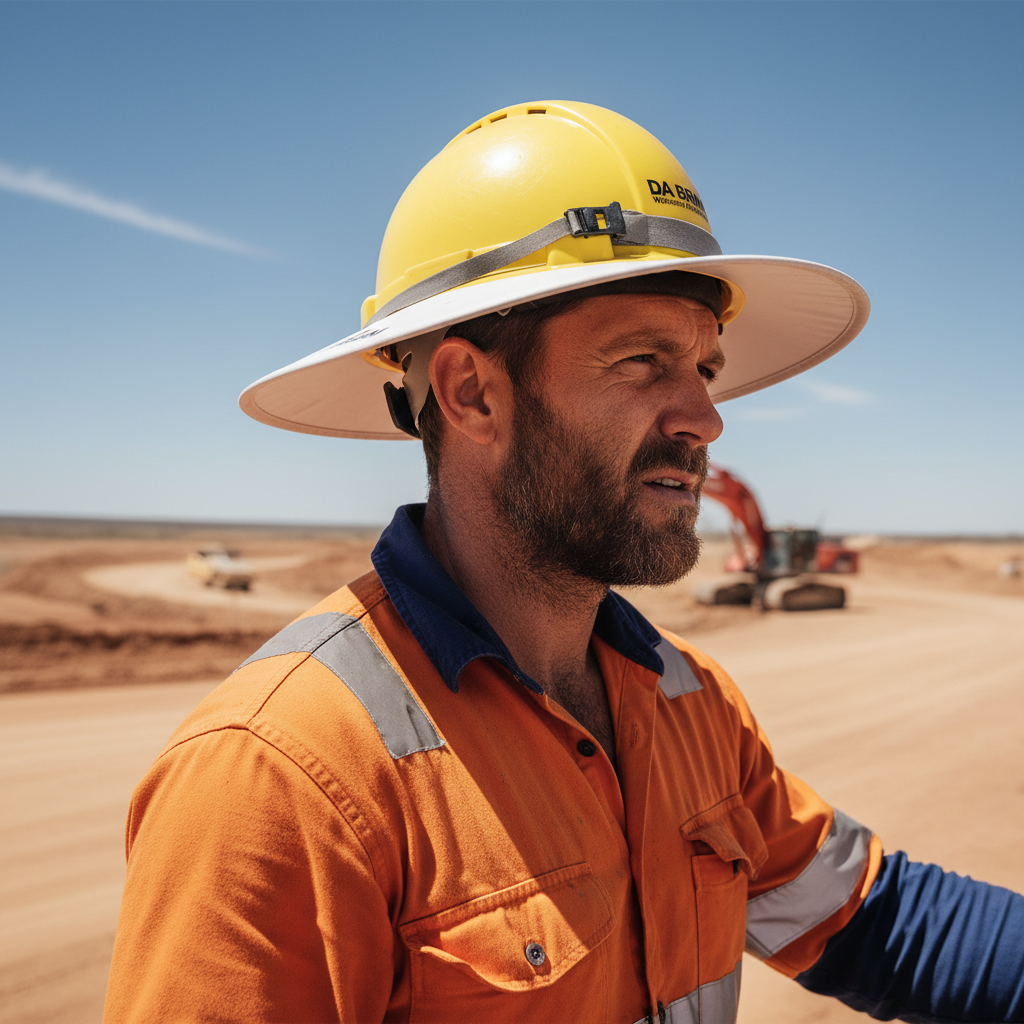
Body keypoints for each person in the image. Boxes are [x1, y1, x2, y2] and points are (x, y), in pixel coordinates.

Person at [102, 102, 1023, 1024]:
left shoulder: (686, 702)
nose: (704, 418)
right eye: (641, 360)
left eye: (703, 367)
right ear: (471, 393)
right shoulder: (277, 779)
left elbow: (876, 922)